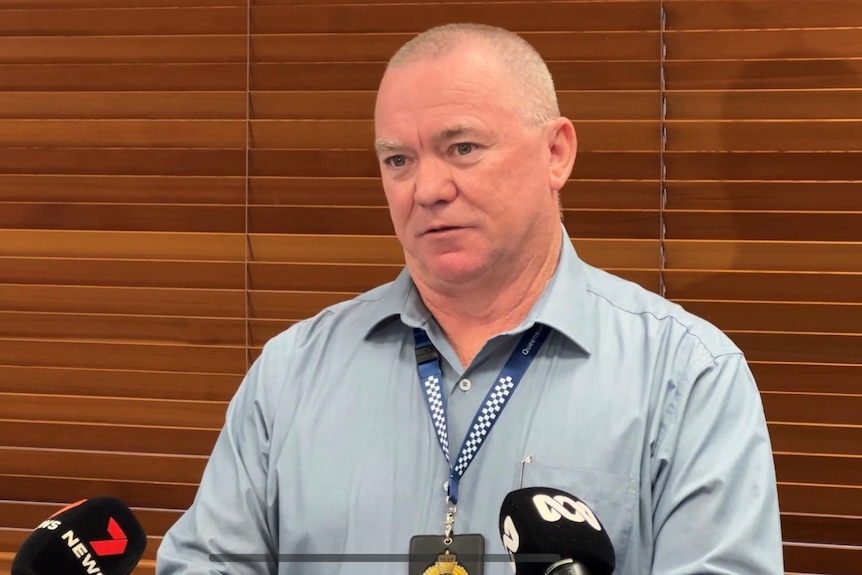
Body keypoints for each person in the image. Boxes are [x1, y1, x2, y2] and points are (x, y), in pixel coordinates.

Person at [156, 23, 784, 575]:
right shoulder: (290, 374)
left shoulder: (686, 377)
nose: (427, 188)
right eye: (398, 160)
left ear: (556, 152)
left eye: (463, 148)